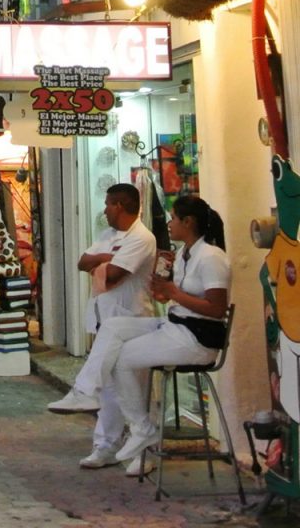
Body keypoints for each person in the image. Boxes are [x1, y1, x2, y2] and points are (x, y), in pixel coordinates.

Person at [48, 195, 228, 471]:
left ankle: (141, 429)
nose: (169, 223)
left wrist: (174, 293)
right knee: (112, 328)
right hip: (175, 324)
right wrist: (164, 289)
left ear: (188, 222)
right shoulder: (184, 254)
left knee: (121, 359)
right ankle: (85, 391)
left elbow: (216, 308)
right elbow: (170, 295)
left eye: (174, 218)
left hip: (196, 337)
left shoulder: (211, 257)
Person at [47, 183, 156, 475]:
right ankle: (106, 445)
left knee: (135, 387)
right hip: (104, 319)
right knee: (109, 387)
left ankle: (143, 451)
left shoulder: (142, 238)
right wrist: (104, 260)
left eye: (108, 204)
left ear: (119, 205)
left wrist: (105, 264)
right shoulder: (107, 235)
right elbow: (83, 262)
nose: (104, 210)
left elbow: (115, 275)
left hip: (132, 319)